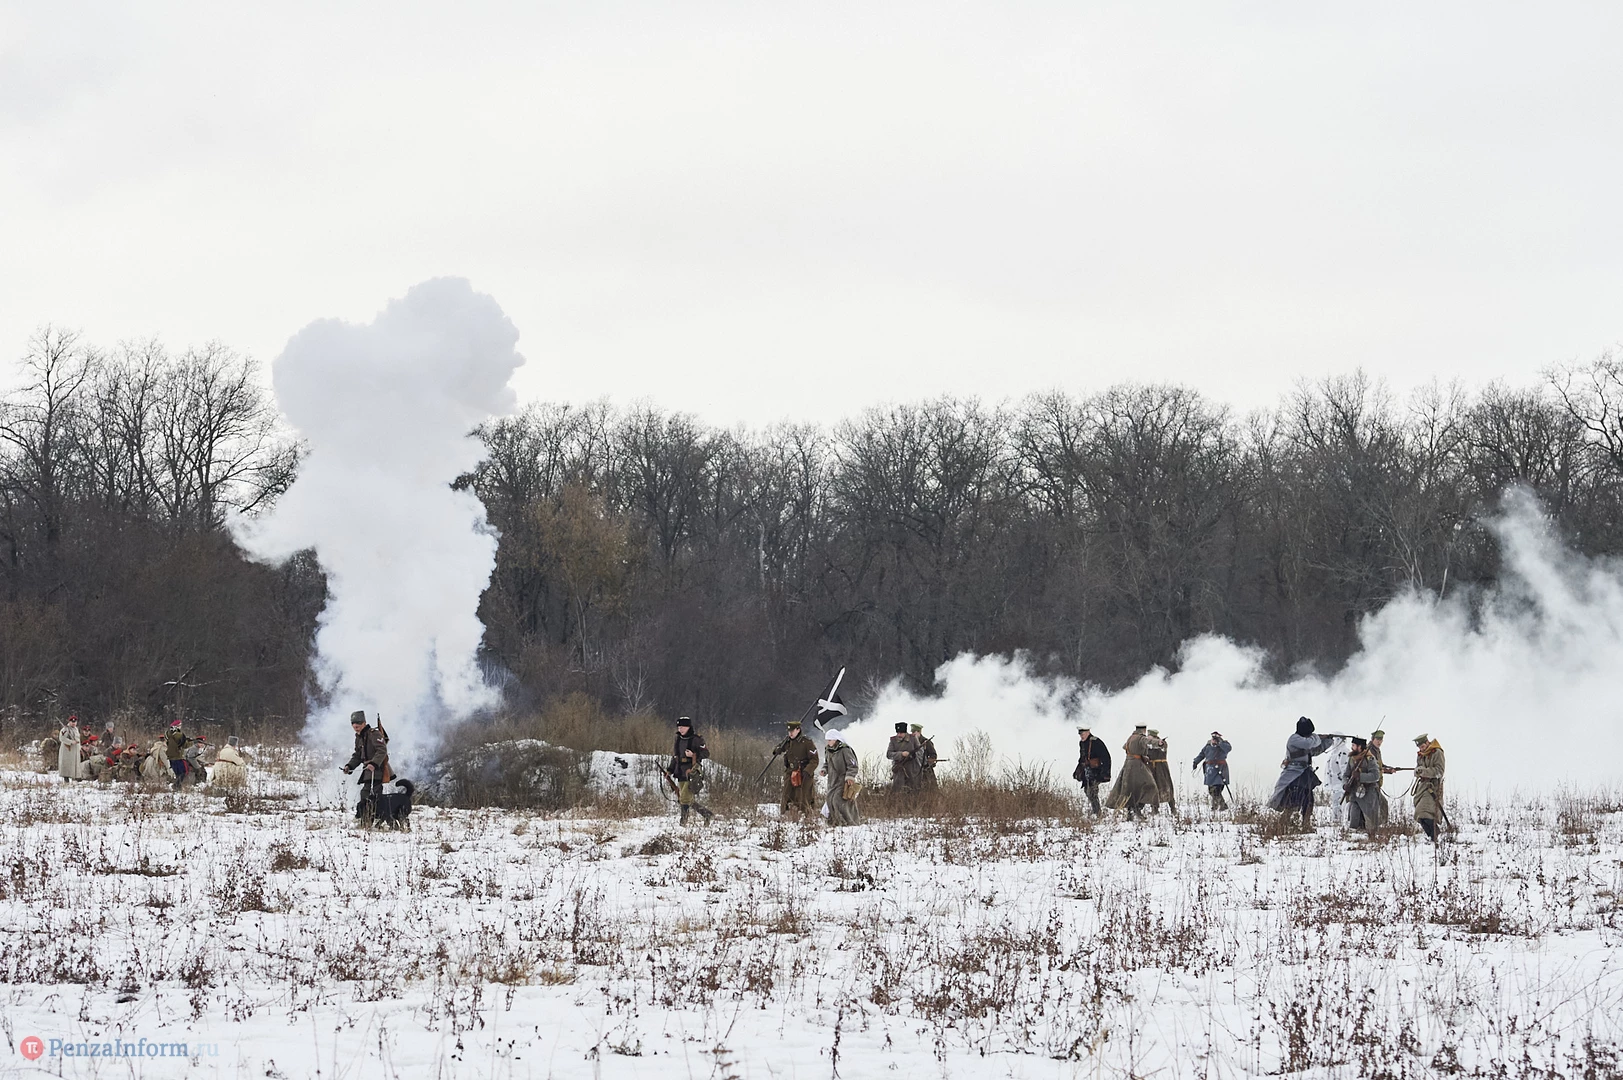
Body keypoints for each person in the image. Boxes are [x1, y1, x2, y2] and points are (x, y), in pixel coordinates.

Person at [1267, 717, 1338, 829]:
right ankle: (1282, 824)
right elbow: (1310, 744)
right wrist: (1317, 736)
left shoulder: (1306, 740)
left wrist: (1328, 741)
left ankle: (1306, 824)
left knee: (1309, 800)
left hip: (1305, 773)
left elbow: (1315, 750)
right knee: (1293, 800)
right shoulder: (1294, 739)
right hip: (1293, 774)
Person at [1104, 724, 1158, 820]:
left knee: (1130, 789)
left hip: (1129, 764)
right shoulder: (1141, 738)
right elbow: (1149, 741)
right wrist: (1159, 743)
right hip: (1137, 765)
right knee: (1150, 786)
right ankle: (1137, 809)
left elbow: (1125, 747)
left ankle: (1132, 812)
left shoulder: (1131, 737)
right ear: (1144, 730)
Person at [670, 716, 713, 825]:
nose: (680, 729)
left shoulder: (697, 739)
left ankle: (683, 822)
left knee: (684, 798)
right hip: (680, 771)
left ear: (688, 727)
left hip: (692, 772)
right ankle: (706, 814)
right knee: (686, 798)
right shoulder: (678, 739)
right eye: (679, 727)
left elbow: (706, 753)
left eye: (682, 727)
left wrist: (694, 754)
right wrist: (669, 770)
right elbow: (676, 756)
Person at [342, 710, 391, 803]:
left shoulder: (374, 734)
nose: (356, 728)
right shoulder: (359, 737)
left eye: (358, 725)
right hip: (367, 770)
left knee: (374, 796)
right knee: (365, 795)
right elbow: (358, 755)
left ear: (364, 723)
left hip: (377, 769)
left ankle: (375, 812)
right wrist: (349, 766)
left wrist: (374, 763)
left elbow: (382, 750)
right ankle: (369, 812)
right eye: (354, 726)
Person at [774, 719, 819, 817]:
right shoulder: (787, 741)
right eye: (789, 731)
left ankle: (806, 817)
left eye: (792, 731)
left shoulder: (807, 742)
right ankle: (785, 816)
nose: (790, 733)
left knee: (804, 796)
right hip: (790, 772)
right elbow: (778, 748)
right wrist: (778, 749)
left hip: (804, 773)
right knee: (787, 795)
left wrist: (808, 771)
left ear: (798, 730)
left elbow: (814, 760)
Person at [1344, 736, 1381, 839]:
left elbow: (1375, 776)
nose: (1352, 747)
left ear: (1359, 747)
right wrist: (1345, 784)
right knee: (1354, 818)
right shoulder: (1351, 759)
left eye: (1354, 745)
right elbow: (1346, 775)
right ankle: (1353, 836)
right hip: (1355, 793)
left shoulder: (1370, 759)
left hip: (1368, 794)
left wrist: (1360, 776)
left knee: (1370, 822)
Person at [1412, 733, 1446, 841]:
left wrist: (1424, 771)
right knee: (1420, 815)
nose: (1421, 749)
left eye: (1423, 746)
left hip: (1433, 787)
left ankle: (1435, 836)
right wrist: (1417, 771)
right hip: (1422, 787)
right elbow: (1418, 768)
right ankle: (1433, 837)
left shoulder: (1437, 752)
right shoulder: (1420, 755)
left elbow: (1439, 771)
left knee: (1424, 812)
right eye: (1419, 747)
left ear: (1427, 742)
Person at [822, 731, 861, 826]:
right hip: (832, 781)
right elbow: (827, 763)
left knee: (838, 800)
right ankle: (834, 821)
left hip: (843, 780)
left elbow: (852, 765)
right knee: (830, 800)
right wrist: (824, 770)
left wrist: (850, 777)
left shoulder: (845, 750)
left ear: (835, 739)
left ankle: (848, 821)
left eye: (830, 740)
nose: (828, 742)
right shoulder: (828, 750)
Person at [1072, 726, 1112, 817]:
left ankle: (1097, 813)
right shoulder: (1082, 743)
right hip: (1086, 771)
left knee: (1092, 791)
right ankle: (1096, 812)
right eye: (1080, 734)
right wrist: (1077, 771)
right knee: (1087, 791)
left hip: (1096, 771)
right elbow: (1082, 758)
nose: (1081, 736)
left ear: (1088, 732)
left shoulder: (1096, 742)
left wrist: (1105, 773)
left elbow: (1106, 757)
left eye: (1082, 734)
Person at [1191, 731, 1231, 810]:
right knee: (1211, 790)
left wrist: (1220, 743)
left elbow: (1228, 749)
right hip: (1210, 770)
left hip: (1220, 769)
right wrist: (1195, 762)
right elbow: (1202, 754)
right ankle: (1216, 805)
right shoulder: (1208, 746)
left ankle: (1222, 806)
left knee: (1217, 789)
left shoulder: (1224, 744)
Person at [886, 722, 922, 797]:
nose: (899, 735)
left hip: (912, 769)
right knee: (898, 792)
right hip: (899, 769)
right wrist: (901, 754)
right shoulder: (893, 740)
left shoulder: (913, 739)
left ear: (905, 732)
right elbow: (889, 754)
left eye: (901, 733)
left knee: (913, 791)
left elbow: (920, 751)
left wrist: (912, 755)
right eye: (898, 733)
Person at [1146, 729, 1175, 813]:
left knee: (1166, 786)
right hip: (1151, 768)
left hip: (1161, 769)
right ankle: (1154, 808)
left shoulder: (1161, 743)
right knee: (1153, 788)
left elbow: (1160, 745)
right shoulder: (1148, 744)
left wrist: (1159, 743)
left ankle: (1173, 808)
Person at [164, 717, 196, 789]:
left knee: (177, 773)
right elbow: (184, 745)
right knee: (183, 772)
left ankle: (178, 787)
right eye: (179, 725)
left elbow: (174, 742)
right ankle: (176, 785)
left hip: (171, 757)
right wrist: (192, 742)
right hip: (178, 756)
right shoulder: (179, 734)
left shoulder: (168, 733)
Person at [1370, 729, 1393, 825]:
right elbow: (1374, 767)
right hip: (1371, 784)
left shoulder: (1376, 750)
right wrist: (1386, 770)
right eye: (1377, 739)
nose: (1379, 742)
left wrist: (1390, 769)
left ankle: (1381, 825)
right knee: (1378, 805)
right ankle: (1376, 826)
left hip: (1376, 783)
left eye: (1381, 740)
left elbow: (1380, 765)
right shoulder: (1369, 750)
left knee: (1382, 804)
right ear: (1373, 739)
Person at [913, 724, 939, 793]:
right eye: (912, 732)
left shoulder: (926, 742)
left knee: (930, 790)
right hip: (914, 771)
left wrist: (928, 763)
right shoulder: (911, 743)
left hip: (925, 771)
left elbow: (933, 755)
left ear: (919, 732)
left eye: (914, 732)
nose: (912, 734)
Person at [58, 716, 82, 781]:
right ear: (69, 722)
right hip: (67, 750)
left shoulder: (76, 729)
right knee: (67, 763)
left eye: (75, 722)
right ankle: (66, 778)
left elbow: (78, 739)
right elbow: (62, 738)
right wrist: (71, 742)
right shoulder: (65, 729)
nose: (73, 723)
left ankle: (75, 777)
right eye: (72, 722)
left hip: (75, 750)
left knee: (75, 764)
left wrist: (79, 747)